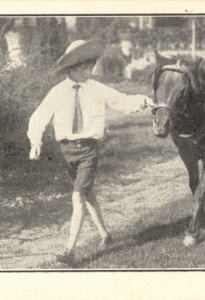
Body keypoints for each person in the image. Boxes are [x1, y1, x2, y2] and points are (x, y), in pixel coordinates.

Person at [27, 39, 150, 266]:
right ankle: (105, 234)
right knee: (88, 194)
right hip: (66, 151)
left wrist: (142, 100)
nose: (89, 71)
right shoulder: (57, 92)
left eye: (90, 66)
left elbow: (121, 100)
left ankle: (69, 250)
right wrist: (35, 142)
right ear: (71, 68)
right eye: (84, 67)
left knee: (78, 197)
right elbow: (39, 116)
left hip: (88, 151)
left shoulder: (96, 88)